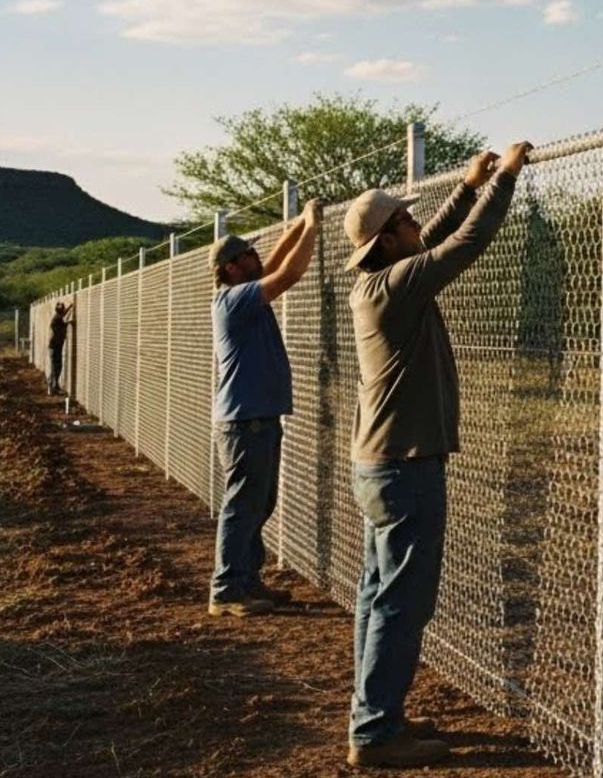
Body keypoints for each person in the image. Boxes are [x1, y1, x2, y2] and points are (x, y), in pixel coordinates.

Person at [341, 141, 530, 769]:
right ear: (388, 239)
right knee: (402, 600)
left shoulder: (380, 282)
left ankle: (375, 715)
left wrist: (468, 187)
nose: (416, 224)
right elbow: (460, 248)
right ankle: (375, 733)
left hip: (381, 464)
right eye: (406, 219)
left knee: (378, 594)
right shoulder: (396, 286)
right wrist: (504, 179)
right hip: (405, 466)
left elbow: (428, 243)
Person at [209, 200, 320, 617]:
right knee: (243, 505)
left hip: (256, 419)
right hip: (245, 421)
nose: (258, 258)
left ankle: (246, 581)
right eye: (249, 255)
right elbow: (288, 273)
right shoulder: (234, 300)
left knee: (259, 502)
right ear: (232, 267)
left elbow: (273, 263)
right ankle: (227, 589)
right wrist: (310, 225)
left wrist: (294, 228)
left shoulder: (242, 293)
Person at [46, 300, 74, 394]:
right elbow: (63, 323)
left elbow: (63, 315)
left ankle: (55, 386)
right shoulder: (57, 319)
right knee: (55, 367)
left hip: (57, 346)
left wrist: (70, 307)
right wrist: (70, 322)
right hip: (54, 347)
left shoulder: (58, 317)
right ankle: (51, 387)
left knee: (58, 366)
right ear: (59, 311)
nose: (64, 310)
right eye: (63, 309)